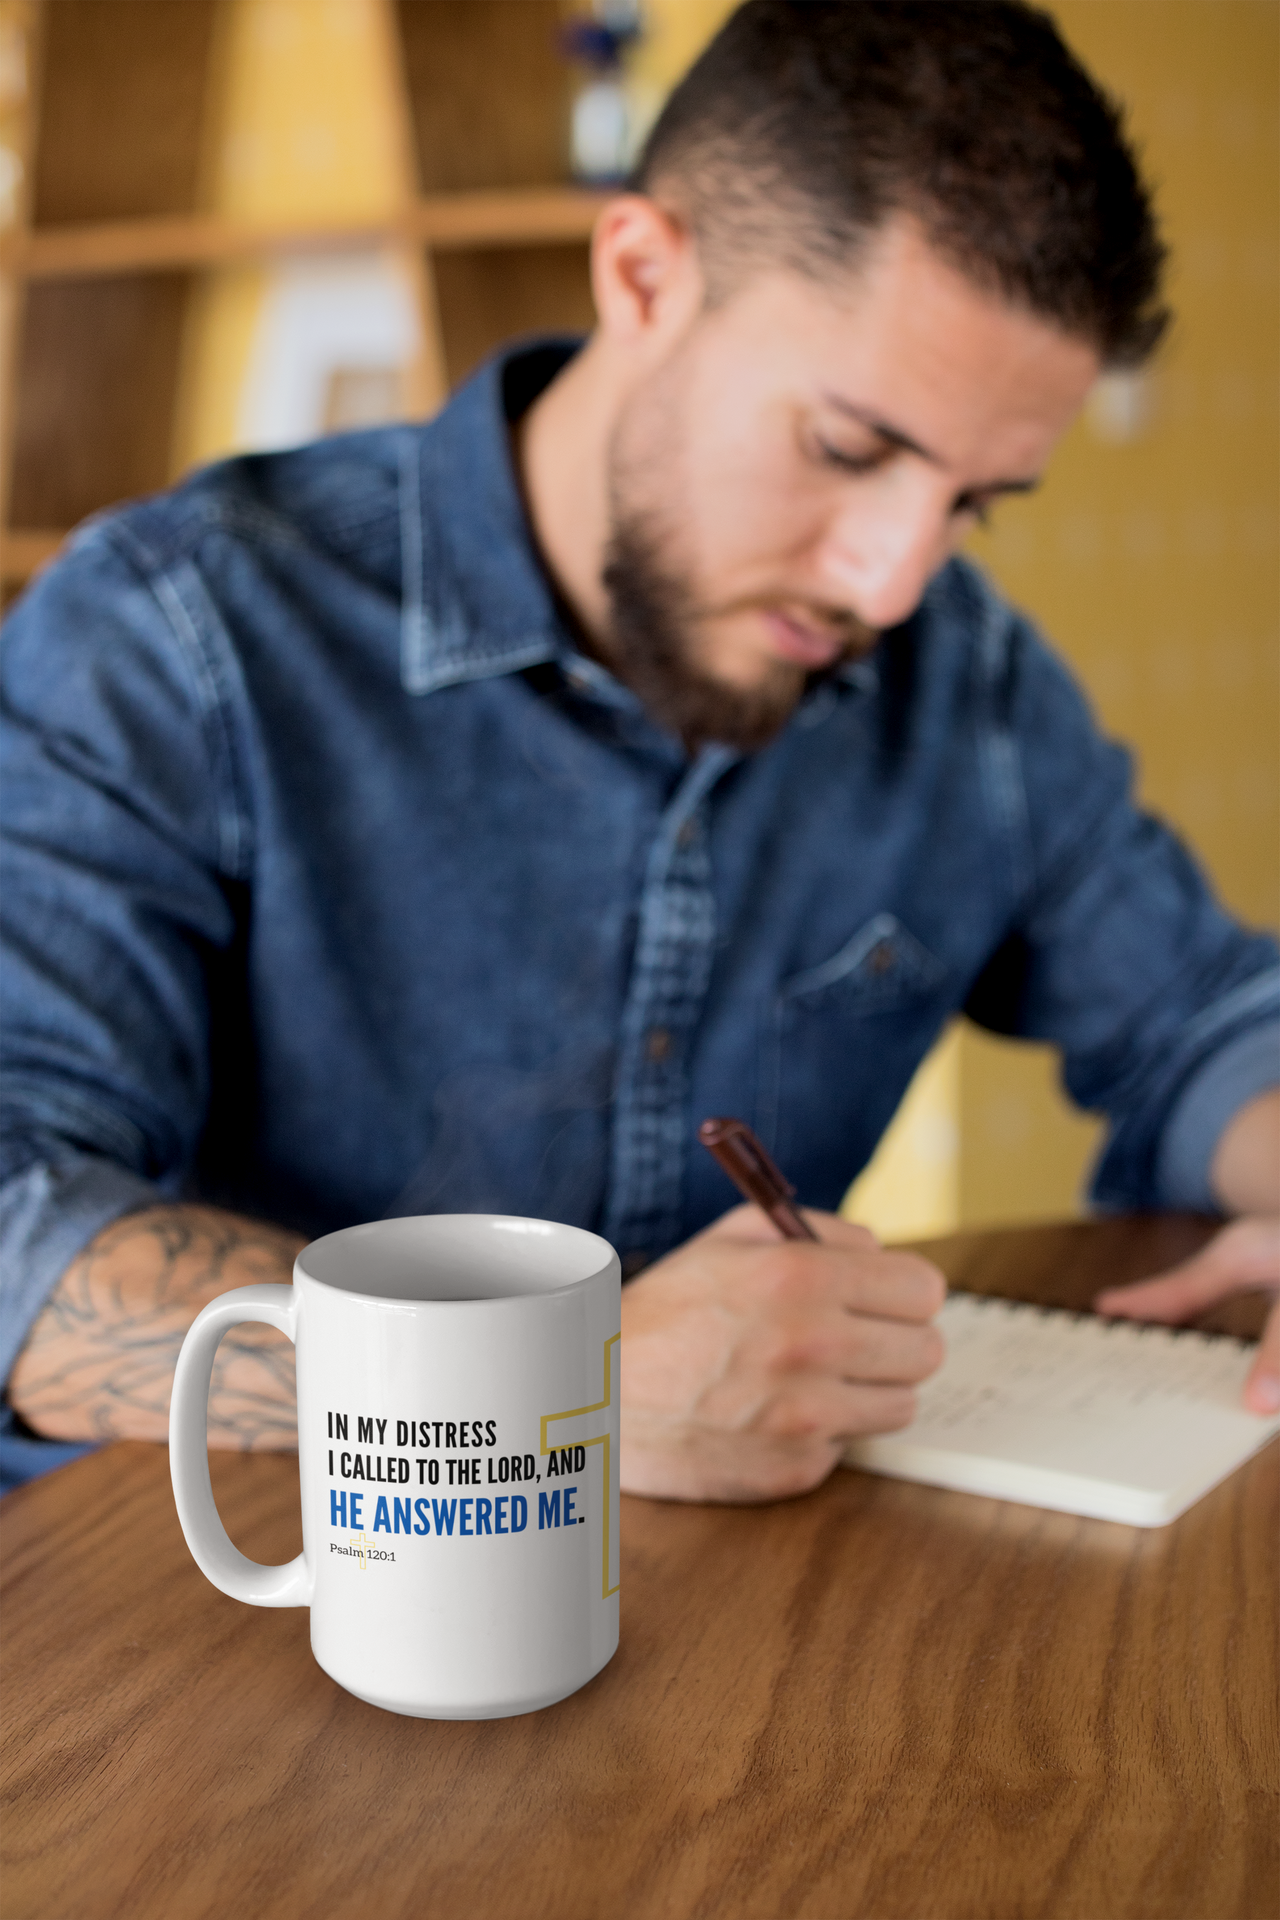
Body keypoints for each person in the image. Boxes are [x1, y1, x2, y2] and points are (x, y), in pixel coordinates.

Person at [1, 0, 1276, 1502]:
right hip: (216, 1623)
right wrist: (562, 1385)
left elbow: (1203, 1018)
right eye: (851, 449)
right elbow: (17, 1218)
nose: (891, 583)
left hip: (718, 1634)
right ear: (644, 273)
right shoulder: (177, 635)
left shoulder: (966, 683)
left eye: (973, 502)